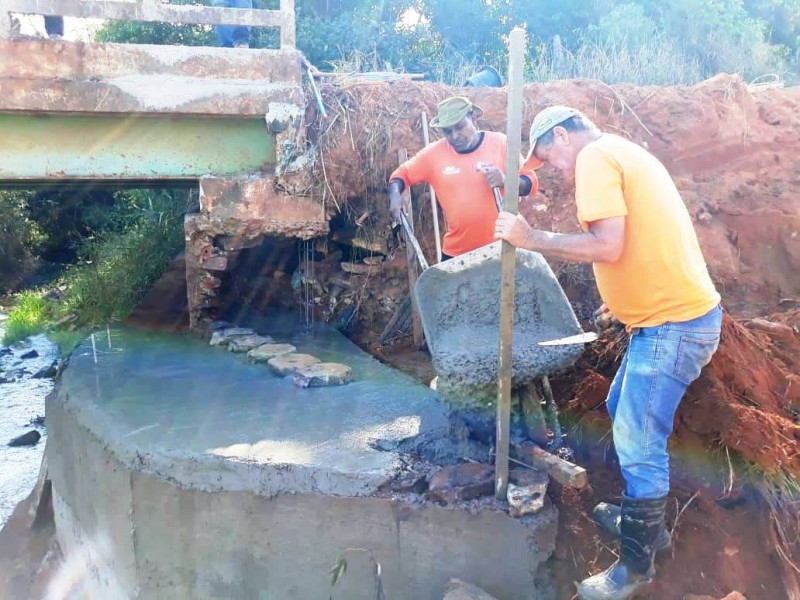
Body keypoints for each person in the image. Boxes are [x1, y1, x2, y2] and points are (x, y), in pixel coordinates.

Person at [494, 106, 722, 600]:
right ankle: (648, 527)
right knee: (623, 409)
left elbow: (609, 245)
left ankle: (634, 570)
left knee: (640, 445)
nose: (553, 168)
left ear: (560, 135)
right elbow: (640, 241)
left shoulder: (596, 156)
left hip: (671, 327)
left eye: (547, 156)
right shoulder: (622, 150)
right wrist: (620, 300)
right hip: (671, 319)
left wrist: (532, 239)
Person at [388, 96, 538, 260]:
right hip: (456, 255)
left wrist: (505, 181)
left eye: (460, 127)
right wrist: (395, 196)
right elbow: (400, 175)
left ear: (473, 118)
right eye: (447, 131)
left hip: (501, 250)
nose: (454, 136)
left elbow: (531, 183)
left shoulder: (501, 144)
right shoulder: (434, 155)